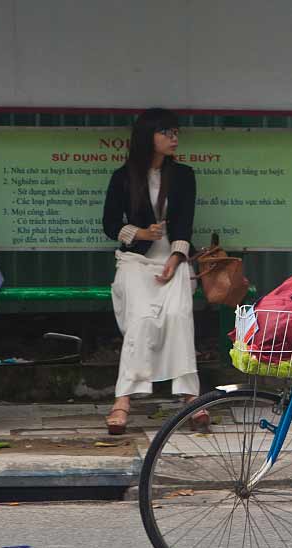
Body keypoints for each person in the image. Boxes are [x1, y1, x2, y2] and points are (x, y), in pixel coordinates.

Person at [101, 108, 202, 434]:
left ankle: (190, 396)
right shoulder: (124, 176)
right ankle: (124, 399)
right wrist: (140, 234)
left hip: (173, 260)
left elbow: (185, 222)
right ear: (148, 137)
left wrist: (176, 257)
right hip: (135, 262)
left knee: (179, 316)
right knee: (141, 320)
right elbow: (109, 224)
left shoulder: (184, 175)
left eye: (176, 132)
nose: (174, 138)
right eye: (166, 132)